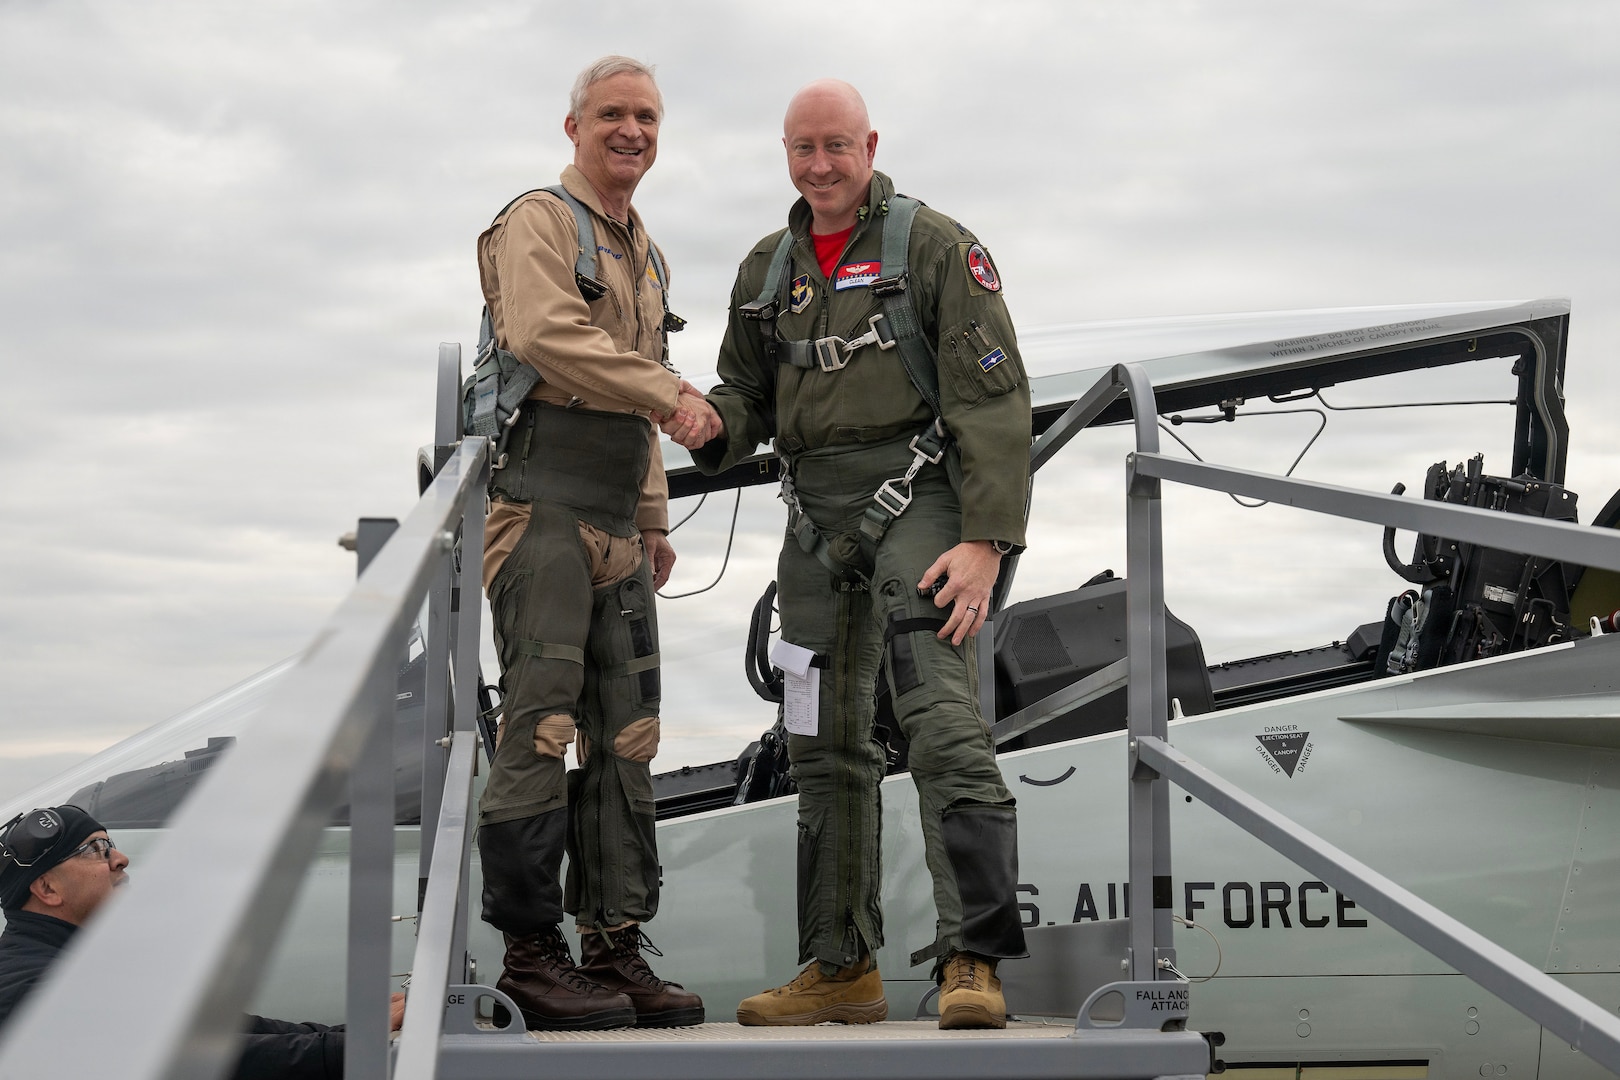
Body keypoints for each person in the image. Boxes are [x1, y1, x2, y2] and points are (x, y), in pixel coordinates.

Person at [665, 79, 1031, 1030]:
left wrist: (987, 543)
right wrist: (708, 423)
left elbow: (993, 406)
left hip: (920, 498)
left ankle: (972, 961)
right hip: (811, 521)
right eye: (801, 149)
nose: (819, 166)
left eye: (836, 146)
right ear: (784, 155)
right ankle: (841, 967)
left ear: (869, 145)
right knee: (819, 741)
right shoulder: (765, 267)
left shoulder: (936, 248)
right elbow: (744, 395)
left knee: (941, 721)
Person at [472, 54, 705, 1031]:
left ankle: (614, 945)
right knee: (541, 725)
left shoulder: (647, 256)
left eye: (646, 116)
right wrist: (672, 394)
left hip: (616, 515)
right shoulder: (539, 221)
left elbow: (638, 387)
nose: (631, 130)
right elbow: (545, 334)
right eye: (612, 114)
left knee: (629, 738)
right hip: (543, 507)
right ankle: (532, 953)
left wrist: (652, 520)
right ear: (572, 127)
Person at [0, 805, 401, 1078]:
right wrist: (345, 1049)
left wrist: (351, 1033)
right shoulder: (32, 991)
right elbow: (191, 1054)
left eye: (110, 844)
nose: (120, 859)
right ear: (48, 888)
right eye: (96, 849)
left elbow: (214, 1028)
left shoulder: (79, 964)